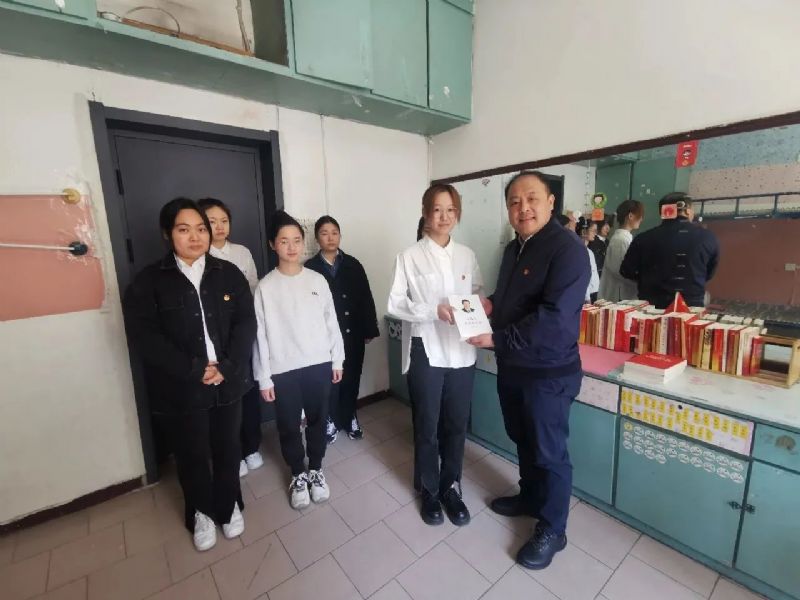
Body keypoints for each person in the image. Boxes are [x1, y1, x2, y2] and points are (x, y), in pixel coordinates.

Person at [468, 171, 589, 570]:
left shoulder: (568, 250)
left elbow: (555, 318)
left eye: (532, 198)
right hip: (514, 366)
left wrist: (495, 338)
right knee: (523, 438)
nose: (523, 208)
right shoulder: (513, 248)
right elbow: (511, 297)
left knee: (550, 452)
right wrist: (489, 304)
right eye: (514, 202)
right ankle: (531, 497)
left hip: (548, 373)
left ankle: (554, 529)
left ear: (551, 202)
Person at [123, 198, 256, 552]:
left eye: (201, 229)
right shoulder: (150, 281)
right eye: (184, 229)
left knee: (228, 448)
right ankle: (201, 512)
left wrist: (227, 366)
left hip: (227, 380)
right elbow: (145, 336)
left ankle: (229, 505)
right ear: (168, 234)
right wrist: (194, 368)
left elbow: (246, 322)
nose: (195, 237)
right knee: (191, 452)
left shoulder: (229, 274)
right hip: (182, 385)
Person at [388, 183, 485, 527]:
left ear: (457, 214)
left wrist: (480, 309)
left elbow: (477, 292)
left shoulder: (467, 255)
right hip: (426, 349)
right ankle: (429, 490)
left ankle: (450, 487)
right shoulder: (409, 256)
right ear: (426, 213)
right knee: (427, 425)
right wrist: (433, 310)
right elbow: (395, 303)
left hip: (462, 351)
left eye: (451, 210)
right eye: (437, 210)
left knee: (456, 424)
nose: (444, 217)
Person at [252, 211, 345, 509]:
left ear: (303, 243)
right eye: (284, 241)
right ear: (272, 244)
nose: (291, 247)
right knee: (289, 425)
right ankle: (297, 473)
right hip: (283, 369)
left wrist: (337, 360)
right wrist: (264, 377)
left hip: (318, 363)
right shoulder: (265, 287)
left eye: (296, 240)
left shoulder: (317, 280)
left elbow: (331, 323)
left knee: (318, 420)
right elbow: (260, 335)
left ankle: (315, 468)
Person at [198, 198, 263, 479]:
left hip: (241, 330)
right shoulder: (197, 255)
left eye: (224, 221)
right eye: (212, 222)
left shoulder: (242, 252)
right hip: (213, 338)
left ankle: (251, 447)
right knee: (221, 397)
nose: (220, 227)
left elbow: (254, 290)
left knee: (246, 389)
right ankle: (230, 453)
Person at [305, 216, 380, 443]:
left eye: (334, 232)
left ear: (340, 235)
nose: (330, 237)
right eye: (324, 233)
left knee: (352, 377)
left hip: (353, 332)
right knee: (329, 379)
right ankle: (330, 419)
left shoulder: (353, 264)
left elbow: (366, 298)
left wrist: (369, 328)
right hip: (324, 337)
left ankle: (350, 416)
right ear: (317, 238)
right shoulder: (309, 268)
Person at [620, 192, 719, 308]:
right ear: (687, 211)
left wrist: (646, 279)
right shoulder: (707, 237)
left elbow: (626, 271)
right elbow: (709, 272)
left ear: (662, 213)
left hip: (651, 308)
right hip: (690, 307)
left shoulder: (643, 238)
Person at [598, 200, 644, 301]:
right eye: (640, 216)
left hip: (622, 294)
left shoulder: (624, 238)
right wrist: (642, 280)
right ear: (630, 216)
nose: (641, 219)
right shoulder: (620, 240)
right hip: (618, 295)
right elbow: (620, 271)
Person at [577, 219, 600, 302]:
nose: (595, 234)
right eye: (593, 230)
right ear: (583, 232)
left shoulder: (590, 252)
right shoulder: (579, 251)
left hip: (593, 292)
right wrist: (587, 298)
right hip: (584, 295)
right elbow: (583, 277)